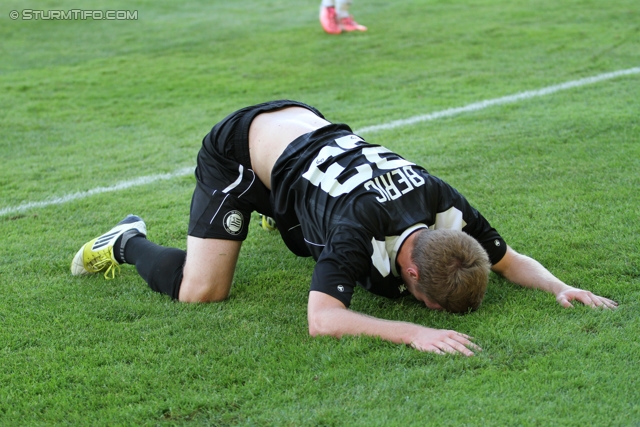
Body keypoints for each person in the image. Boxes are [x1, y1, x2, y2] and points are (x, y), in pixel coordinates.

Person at [71, 100, 617, 356]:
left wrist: (559, 286)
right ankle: (124, 239)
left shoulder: (446, 206)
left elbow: (508, 259)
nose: (419, 305)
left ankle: (279, 216)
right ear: (409, 266)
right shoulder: (358, 228)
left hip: (305, 131)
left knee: (313, 235)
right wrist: (415, 333)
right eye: (422, 299)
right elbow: (322, 320)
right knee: (203, 292)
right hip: (242, 149)